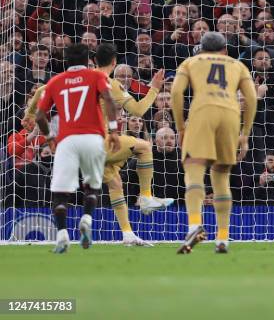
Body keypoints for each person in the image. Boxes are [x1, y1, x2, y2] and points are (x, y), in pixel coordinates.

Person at [24, 43, 174, 246]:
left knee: (115, 184)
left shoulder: (71, 79)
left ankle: (127, 234)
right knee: (145, 147)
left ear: (94, 61)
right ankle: (146, 197)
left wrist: (30, 113)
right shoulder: (107, 82)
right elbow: (138, 110)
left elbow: (44, 88)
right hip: (100, 141)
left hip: (73, 144)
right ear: (114, 62)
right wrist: (155, 88)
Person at [171, 32, 257, 254]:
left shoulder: (190, 62)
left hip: (203, 112)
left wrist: (180, 127)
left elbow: (176, 92)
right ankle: (222, 238)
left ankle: (194, 224)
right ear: (224, 51)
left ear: (201, 49)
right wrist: (245, 133)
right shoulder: (237, 65)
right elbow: (252, 98)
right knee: (221, 177)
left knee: (194, 170)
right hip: (230, 115)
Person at [35, 43, 121, 253]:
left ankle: (62, 235)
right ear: (88, 60)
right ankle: (87, 218)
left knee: (60, 191)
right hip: (92, 138)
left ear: (66, 61)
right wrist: (114, 130)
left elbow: (39, 116)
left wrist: (49, 138)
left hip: (66, 141)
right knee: (92, 184)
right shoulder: (96, 76)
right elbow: (108, 99)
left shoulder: (55, 81)